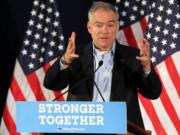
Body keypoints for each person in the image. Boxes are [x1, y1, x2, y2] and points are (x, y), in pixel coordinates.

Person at [43, 1, 162, 133]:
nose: (104, 31)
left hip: (122, 130)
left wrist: (146, 68)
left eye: (110, 25)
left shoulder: (133, 57)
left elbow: (153, 93)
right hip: (81, 128)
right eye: (98, 25)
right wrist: (64, 61)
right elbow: (51, 84)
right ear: (89, 27)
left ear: (117, 27)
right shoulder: (75, 56)